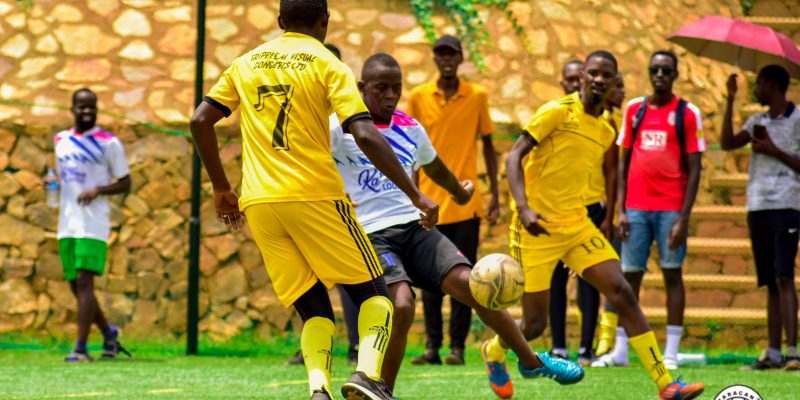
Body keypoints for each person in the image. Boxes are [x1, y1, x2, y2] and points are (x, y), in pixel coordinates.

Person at [188, 1, 438, 399]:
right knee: (377, 296)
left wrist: (221, 188)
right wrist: (415, 193)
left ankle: (318, 390)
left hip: (260, 203)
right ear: (325, 22)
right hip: (314, 195)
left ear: (280, 22)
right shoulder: (327, 63)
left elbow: (200, 119)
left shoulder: (245, 63)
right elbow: (367, 134)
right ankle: (369, 376)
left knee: (313, 309)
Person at [333, 52, 584, 398]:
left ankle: (529, 360)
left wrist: (460, 194)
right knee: (401, 305)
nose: (390, 96)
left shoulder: (409, 127)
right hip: (371, 235)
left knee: (477, 285)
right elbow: (308, 162)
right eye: (381, 88)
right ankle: (380, 389)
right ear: (361, 87)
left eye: (396, 88)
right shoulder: (339, 128)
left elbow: (434, 166)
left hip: (414, 228)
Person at [482, 50, 705, 400]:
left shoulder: (605, 129)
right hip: (535, 228)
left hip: (577, 226)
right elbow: (514, 155)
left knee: (623, 293)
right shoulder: (557, 111)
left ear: (615, 82)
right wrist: (523, 207)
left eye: (607, 76)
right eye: (594, 74)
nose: (600, 80)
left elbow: (594, 175)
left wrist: (604, 220)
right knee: (536, 325)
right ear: (583, 76)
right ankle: (494, 351)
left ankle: (667, 384)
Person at [595, 50, 704, 371]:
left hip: (671, 209)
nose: (659, 75)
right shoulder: (634, 110)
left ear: (675, 75)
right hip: (636, 210)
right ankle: (621, 350)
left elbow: (695, 168)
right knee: (628, 278)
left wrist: (684, 218)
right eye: (654, 69)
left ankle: (670, 351)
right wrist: (622, 212)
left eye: (666, 70)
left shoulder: (687, 113)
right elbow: (624, 161)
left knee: (672, 275)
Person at [407, 34, 500, 366]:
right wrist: (412, 196)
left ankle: (457, 347)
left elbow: (488, 145)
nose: (446, 59)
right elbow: (411, 151)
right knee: (430, 281)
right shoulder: (418, 97)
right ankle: (432, 347)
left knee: (466, 277)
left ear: (461, 57)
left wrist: (495, 196)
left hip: (465, 205)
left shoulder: (476, 96)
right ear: (434, 59)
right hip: (429, 205)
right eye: (441, 54)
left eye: (452, 54)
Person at [721, 64, 800, 371]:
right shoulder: (757, 121)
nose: (755, 90)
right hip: (758, 206)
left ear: (772, 85)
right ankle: (772, 352)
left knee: (784, 276)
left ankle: (793, 351)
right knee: (769, 280)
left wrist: (773, 150)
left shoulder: (797, 120)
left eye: (758, 85)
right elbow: (728, 143)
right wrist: (729, 100)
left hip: (788, 204)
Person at [286, 42, 361, 367]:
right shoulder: (305, 112)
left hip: (344, 203)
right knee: (307, 277)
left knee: (352, 278)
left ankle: (357, 345)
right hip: (311, 200)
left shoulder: (342, 115)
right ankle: (313, 348)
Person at [51, 88, 132, 362]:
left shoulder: (108, 143)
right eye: (82, 106)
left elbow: (125, 181)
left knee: (85, 282)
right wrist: (52, 185)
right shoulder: (61, 140)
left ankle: (80, 348)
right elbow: (68, 178)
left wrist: (98, 190)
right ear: (72, 109)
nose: (87, 111)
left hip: (93, 223)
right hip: (67, 222)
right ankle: (109, 334)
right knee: (75, 285)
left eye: (92, 107)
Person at [546, 60, 612, 366]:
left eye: (578, 78)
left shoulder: (605, 125)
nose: (575, 84)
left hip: (592, 208)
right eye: (570, 80)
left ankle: (586, 347)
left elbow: (613, 171)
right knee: (556, 280)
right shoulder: (556, 116)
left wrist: (610, 214)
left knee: (589, 280)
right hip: (558, 211)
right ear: (565, 84)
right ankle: (559, 345)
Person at [595, 73, 627, 358]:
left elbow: (615, 172)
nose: (623, 92)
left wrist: (614, 213)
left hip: (607, 211)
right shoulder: (601, 123)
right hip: (592, 208)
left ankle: (605, 339)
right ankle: (599, 340)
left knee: (610, 276)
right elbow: (609, 172)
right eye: (618, 87)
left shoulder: (613, 123)